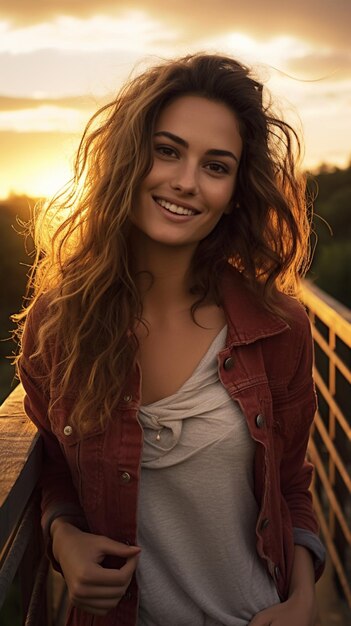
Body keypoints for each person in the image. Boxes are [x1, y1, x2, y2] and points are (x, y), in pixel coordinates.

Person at [15, 53, 325, 626]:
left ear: (235, 189)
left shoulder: (279, 327)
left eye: (216, 165)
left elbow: (290, 484)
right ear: (130, 158)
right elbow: (54, 467)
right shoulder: (58, 325)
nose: (185, 181)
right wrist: (62, 538)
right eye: (167, 150)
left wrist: (302, 602)